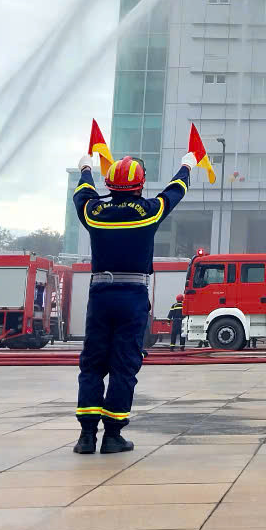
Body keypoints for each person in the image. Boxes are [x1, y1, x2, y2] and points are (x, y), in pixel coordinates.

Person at [71, 149, 194, 455]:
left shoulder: (93, 213)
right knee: (124, 364)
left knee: (92, 364)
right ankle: (113, 435)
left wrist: (86, 168)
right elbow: (175, 191)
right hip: (133, 297)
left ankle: (86, 437)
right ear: (140, 186)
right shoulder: (149, 212)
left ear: (110, 185)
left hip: (100, 296)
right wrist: (186, 165)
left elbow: (82, 193)